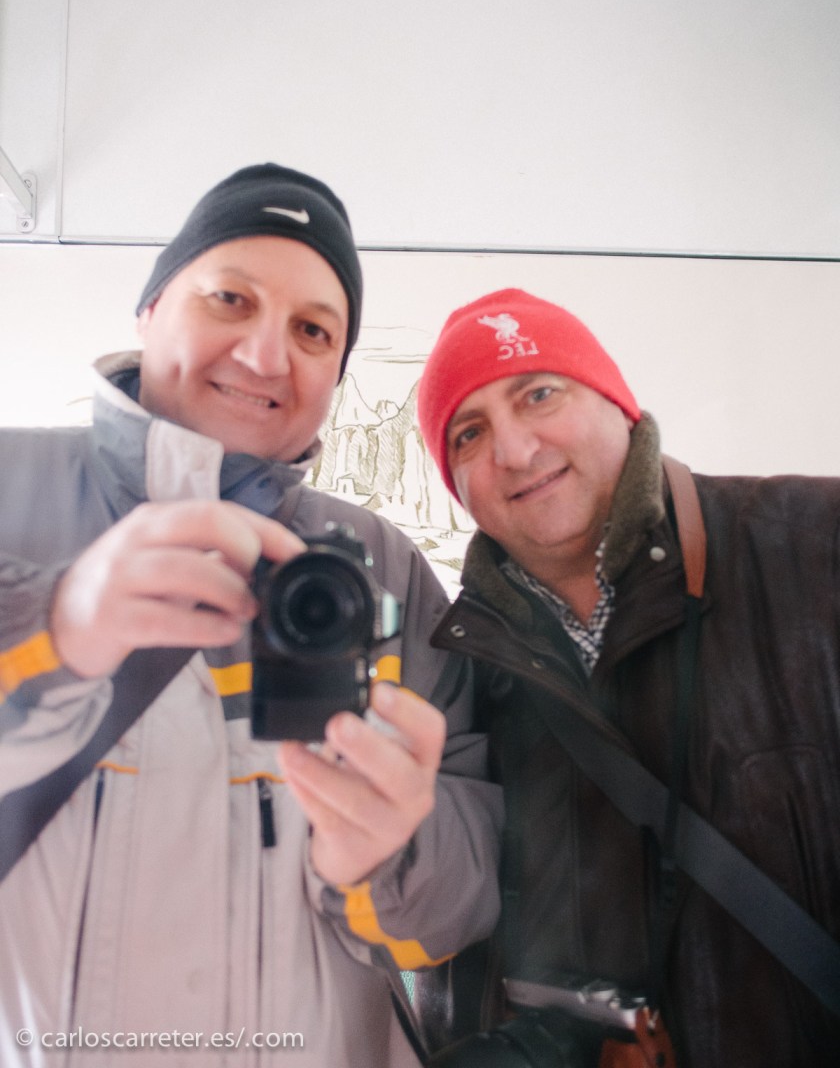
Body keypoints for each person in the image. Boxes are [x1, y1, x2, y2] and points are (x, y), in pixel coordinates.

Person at [0, 164, 502, 1068]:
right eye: (230, 298)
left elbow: (450, 920)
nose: (268, 357)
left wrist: (388, 858)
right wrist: (59, 626)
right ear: (150, 309)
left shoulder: (377, 568)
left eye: (314, 330)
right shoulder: (6, 487)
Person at [415, 287, 840, 1066]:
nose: (513, 451)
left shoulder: (816, 546)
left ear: (619, 403)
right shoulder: (460, 670)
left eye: (538, 393)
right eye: (469, 434)